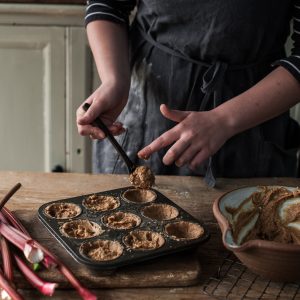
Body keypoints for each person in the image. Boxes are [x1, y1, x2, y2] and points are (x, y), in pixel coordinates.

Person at [77, 0, 300, 185]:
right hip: (146, 105)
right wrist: (114, 80)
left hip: (253, 118)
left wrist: (224, 120)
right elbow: (108, 5)